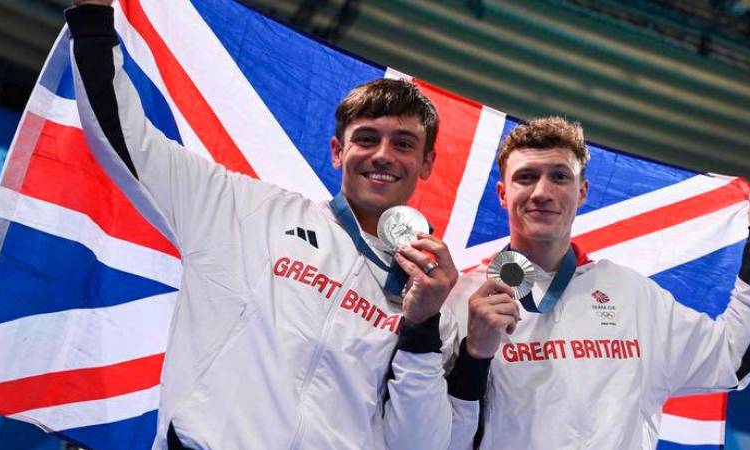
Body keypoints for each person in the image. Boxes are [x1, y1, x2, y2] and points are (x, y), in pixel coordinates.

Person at [65, 2, 459, 449]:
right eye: (366, 138)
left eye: (403, 144)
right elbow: (129, 141)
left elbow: (418, 444)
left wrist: (422, 326)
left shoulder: (430, 299)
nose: (382, 155)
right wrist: (94, 20)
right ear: (336, 151)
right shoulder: (243, 209)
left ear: (426, 163)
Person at [444, 116, 750, 449]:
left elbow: (732, 358)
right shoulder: (463, 299)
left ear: (582, 192)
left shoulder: (632, 295)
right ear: (503, 194)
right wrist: (473, 355)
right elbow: (435, 433)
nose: (541, 192)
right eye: (526, 177)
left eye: (560, 177)